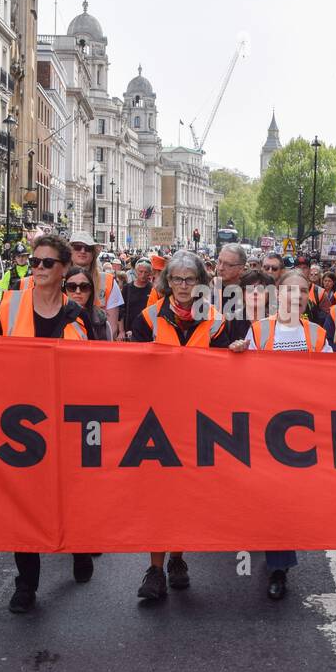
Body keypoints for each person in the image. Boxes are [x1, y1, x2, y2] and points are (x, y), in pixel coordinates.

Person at [0, 234, 93, 611]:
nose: (37, 268)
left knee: (68, 498)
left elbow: (96, 373)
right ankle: (26, 583)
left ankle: (79, 548)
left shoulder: (81, 316)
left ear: (65, 269)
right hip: (20, 421)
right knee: (24, 503)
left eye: (47, 263)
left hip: (65, 421)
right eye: (34, 262)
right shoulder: (10, 305)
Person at [228, 269, 336, 600]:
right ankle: (277, 562)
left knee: (285, 498)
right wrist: (237, 354)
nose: (295, 297)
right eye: (289, 291)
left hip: (301, 430)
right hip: (264, 426)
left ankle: (279, 564)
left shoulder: (318, 334)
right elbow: (239, 377)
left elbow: (335, 377)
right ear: (278, 294)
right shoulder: (259, 330)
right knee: (270, 496)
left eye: (302, 291)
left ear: (308, 296)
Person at [129, 250, 229, 600]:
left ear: (201, 282)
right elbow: (134, 370)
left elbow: (225, 373)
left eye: (190, 279)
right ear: (166, 281)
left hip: (200, 422)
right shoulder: (147, 319)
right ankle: (155, 569)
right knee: (157, 496)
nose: (183, 286)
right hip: (155, 421)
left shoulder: (217, 321)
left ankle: (178, 558)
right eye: (176, 279)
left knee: (186, 494)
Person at [67, 231, 123, 339]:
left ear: (93, 254)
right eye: (78, 247)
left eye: (87, 248)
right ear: (70, 251)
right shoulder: (59, 279)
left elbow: (112, 328)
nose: (83, 251)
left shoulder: (108, 281)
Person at [64, 265, 111, 340]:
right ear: (65, 289)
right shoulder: (54, 317)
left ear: (91, 291)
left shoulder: (101, 320)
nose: (78, 291)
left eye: (84, 287)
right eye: (72, 286)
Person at [121, 259, 154, 339]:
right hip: (128, 331)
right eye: (140, 271)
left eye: (146, 272)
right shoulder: (127, 288)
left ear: (149, 273)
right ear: (136, 271)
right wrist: (121, 331)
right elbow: (121, 311)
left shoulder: (153, 289)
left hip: (146, 332)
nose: (143, 275)